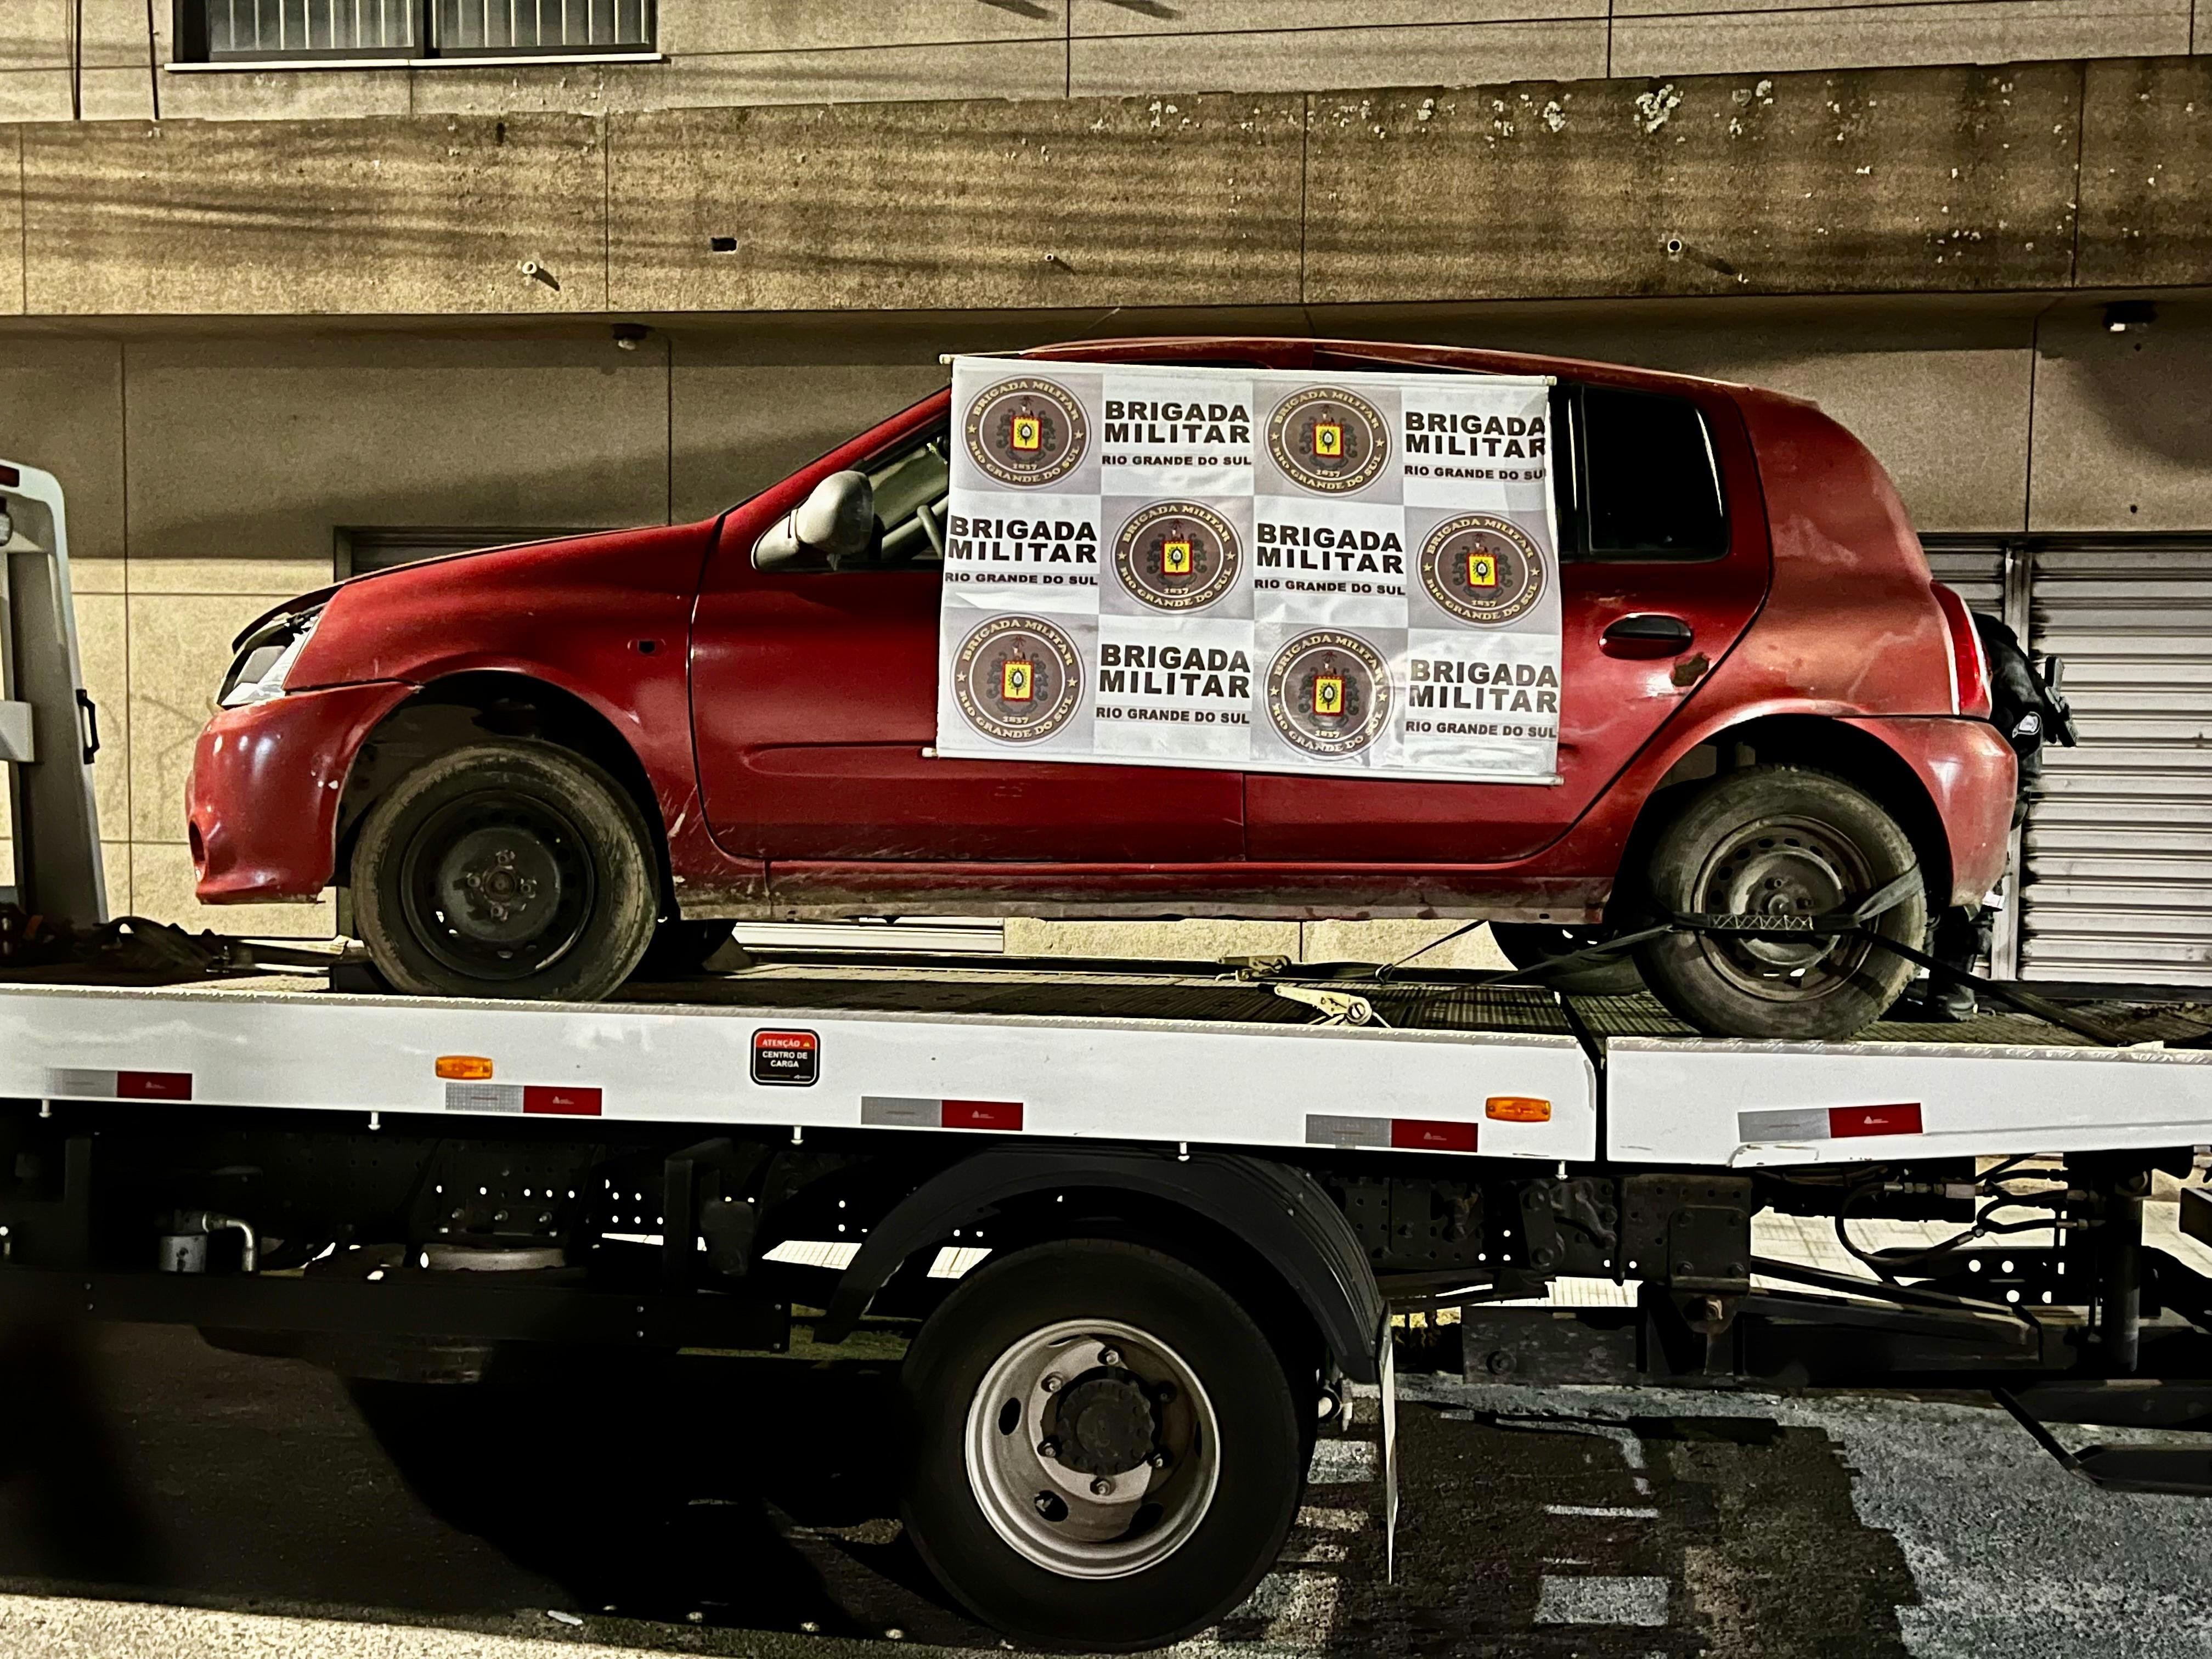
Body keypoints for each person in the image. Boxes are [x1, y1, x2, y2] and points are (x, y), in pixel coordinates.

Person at [1905, 612, 2076, 1019]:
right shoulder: (1984, 649)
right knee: (1952, 884)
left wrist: (1985, 779)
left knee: (1974, 889)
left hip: (1992, 789)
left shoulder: (1992, 652)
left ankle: (1951, 995)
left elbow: (2024, 725)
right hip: (1984, 785)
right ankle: (1939, 991)